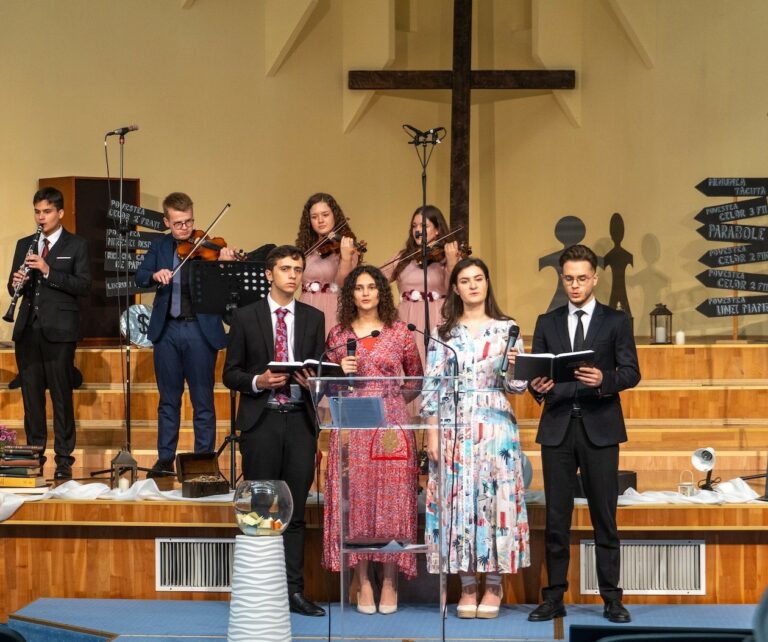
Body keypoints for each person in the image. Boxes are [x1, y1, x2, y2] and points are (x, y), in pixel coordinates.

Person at [524, 244, 640, 624]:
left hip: (600, 428)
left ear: (595, 278)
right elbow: (537, 375)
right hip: (557, 428)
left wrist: (604, 378)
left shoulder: (616, 321)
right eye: (569, 279)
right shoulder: (547, 321)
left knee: (604, 518)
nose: (575, 285)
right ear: (562, 278)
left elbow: (631, 372)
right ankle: (553, 597)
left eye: (582, 278)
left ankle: (612, 599)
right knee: (556, 519)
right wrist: (537, 386)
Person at [423, 257, 530, 619]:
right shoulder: (443, 333)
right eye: (465, 280)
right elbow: (432, 387)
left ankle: (495, 585)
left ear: (487, 283)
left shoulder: (507, 328)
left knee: (495, 502)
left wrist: (515, 366)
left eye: (478, 279)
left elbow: (517, 386)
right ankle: (468, 586)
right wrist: (432, 435)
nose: (472, 285)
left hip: (495, 425)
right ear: (455, 288)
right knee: (458, 502)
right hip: (453, 424)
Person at [222, 245, 326, 617]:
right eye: (285, 268)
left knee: (294, 512)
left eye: (298, 269)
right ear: (269, 274)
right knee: (261, 510)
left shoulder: (313, 318)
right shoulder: (246, 316)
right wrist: (259, 381)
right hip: (261, 421)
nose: (293, 275)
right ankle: (261, 593)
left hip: (299, 421)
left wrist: (314, 382)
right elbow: (230, 373)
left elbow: (321, 373)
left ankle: (293, 592)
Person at [322, 265, 423, 615]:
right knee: (357, 499)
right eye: (358, 288)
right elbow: (325, 383)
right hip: (352, 421)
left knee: (393, 499)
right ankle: (362, 578)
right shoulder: (338, 334)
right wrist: (339, 375)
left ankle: (391, 579)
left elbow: (416, 378)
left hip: (391, 424)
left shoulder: (400, 332)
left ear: (382, 292)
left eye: (372, 287)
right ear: (350, 294)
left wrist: (392, 401)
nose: (365, 293)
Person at [134, 192, 238, 477]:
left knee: (202, 399)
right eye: (178, 223)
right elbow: (140, 276)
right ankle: (165, 458)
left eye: (189, 221)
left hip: (199, 330)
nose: (185, 228)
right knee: (168, 399)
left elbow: (226, 291)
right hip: (167, 329)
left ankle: (203, 460)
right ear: (166, 221)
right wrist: (154, 275)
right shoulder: (159, 246)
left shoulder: (210, 247)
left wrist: (226, 265)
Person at [6, 187, 91, 479]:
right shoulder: (25, 244)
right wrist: (17, 283)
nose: (41, 217)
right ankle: (34, 456)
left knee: (61, 395)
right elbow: (13, 288)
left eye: (47, 211)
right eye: (37, 212)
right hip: (28, 330)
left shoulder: (76, 245)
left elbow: (83, 286)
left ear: (60, 213)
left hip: (60, 331)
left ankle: (64, 459)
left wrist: (47, 270)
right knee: (32, 398)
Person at [380, 205, 459, 362]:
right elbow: (376, 280)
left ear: (437, 230)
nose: (418, 230)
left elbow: (455, 290)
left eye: (424, 226)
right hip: (406, 318)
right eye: (414, 226)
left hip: (437, 317)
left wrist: (451, 262)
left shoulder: (447, 256)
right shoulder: (403, 257)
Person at [295, 193, 360, 335]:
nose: (320, 220)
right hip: (305, 306)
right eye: (314, 217)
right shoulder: (305, 249)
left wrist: (346, 257)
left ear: (334, 215)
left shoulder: (345, 247)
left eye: (325, 215)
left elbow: (342, 284)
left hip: (332, 308)